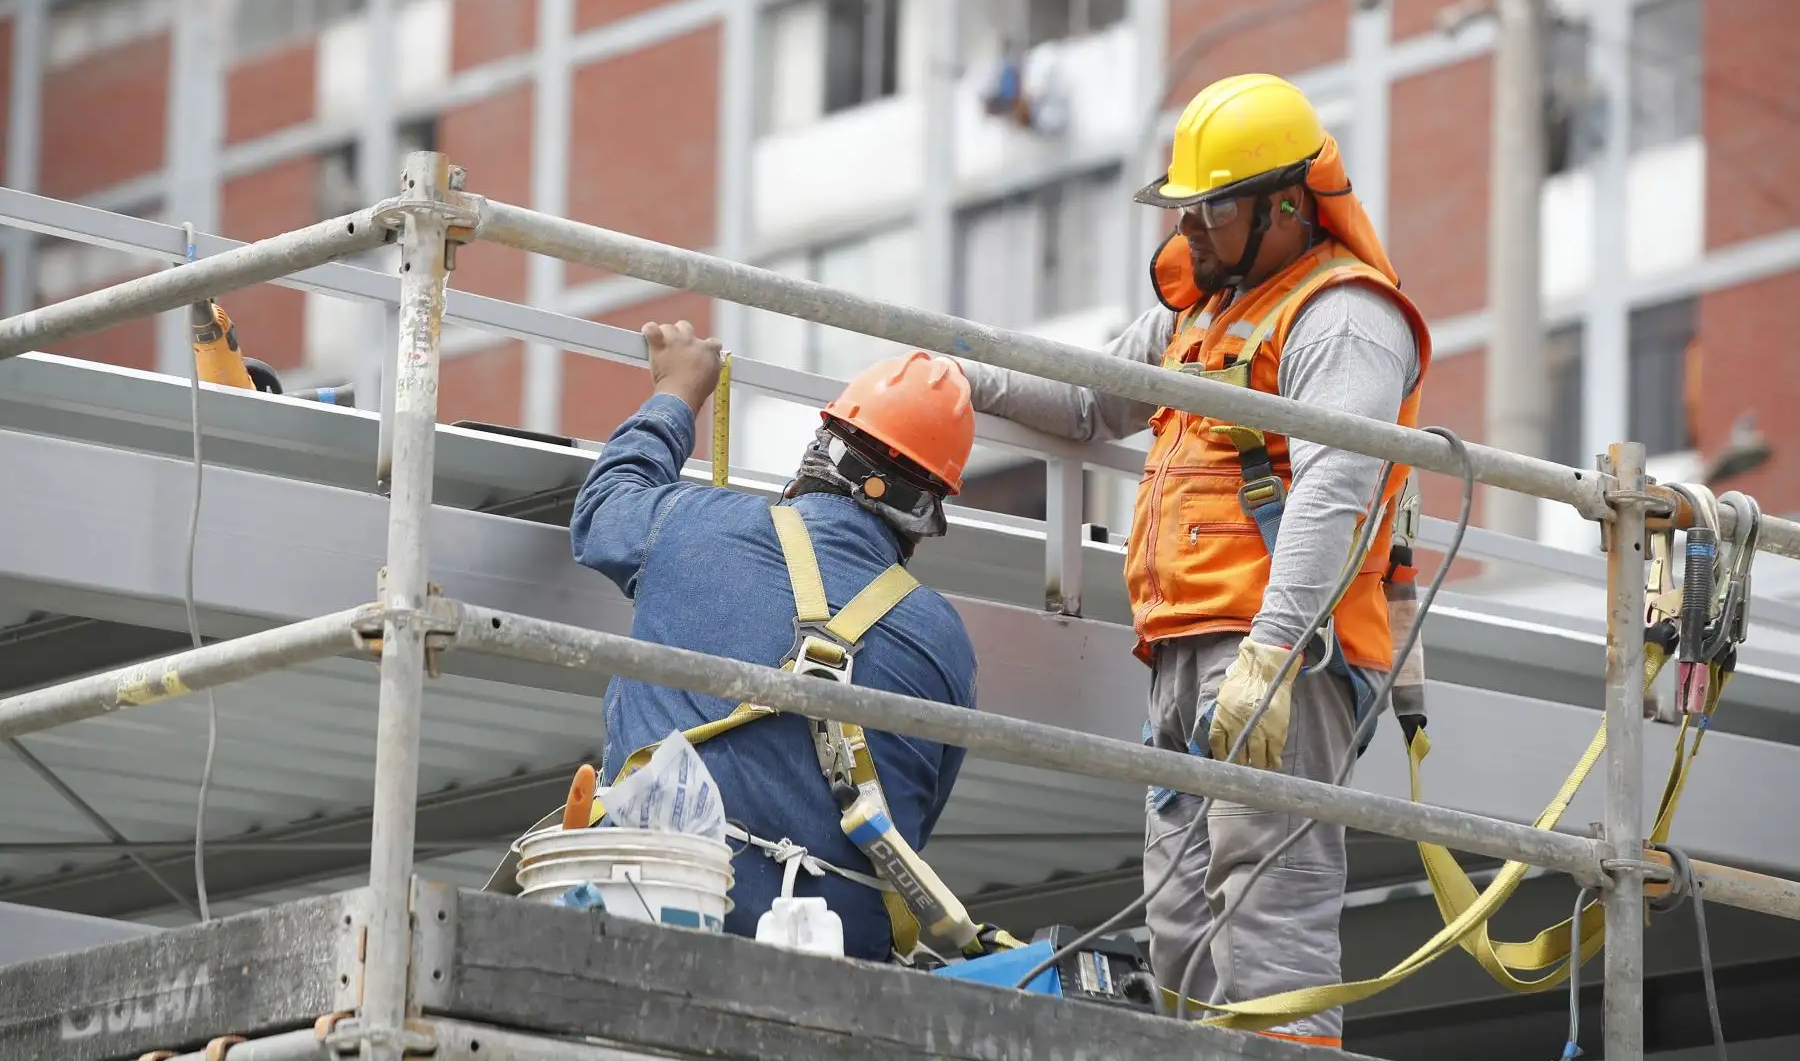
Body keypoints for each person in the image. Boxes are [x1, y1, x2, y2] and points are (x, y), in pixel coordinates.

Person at [959, 73, 1432, 1047]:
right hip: (1182, 655)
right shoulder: (1201, 316)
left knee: (1272, 919)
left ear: (1287, 207)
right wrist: (955, 374)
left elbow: (1333, 492)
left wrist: (1271, 653)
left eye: (1213, 208)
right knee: (1180, 930)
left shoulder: (1343, 318)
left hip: (1278, 657)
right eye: (1190, 209)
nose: (1195, 231)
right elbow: (1091, 399)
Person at [568, 319, 980, 963]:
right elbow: (910, 826)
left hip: (655, 916)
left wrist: (678, 392)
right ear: (923, 520)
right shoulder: (945, 643)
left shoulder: (693, 524)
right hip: (838, 964)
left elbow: (603, 508)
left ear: (818, 451)